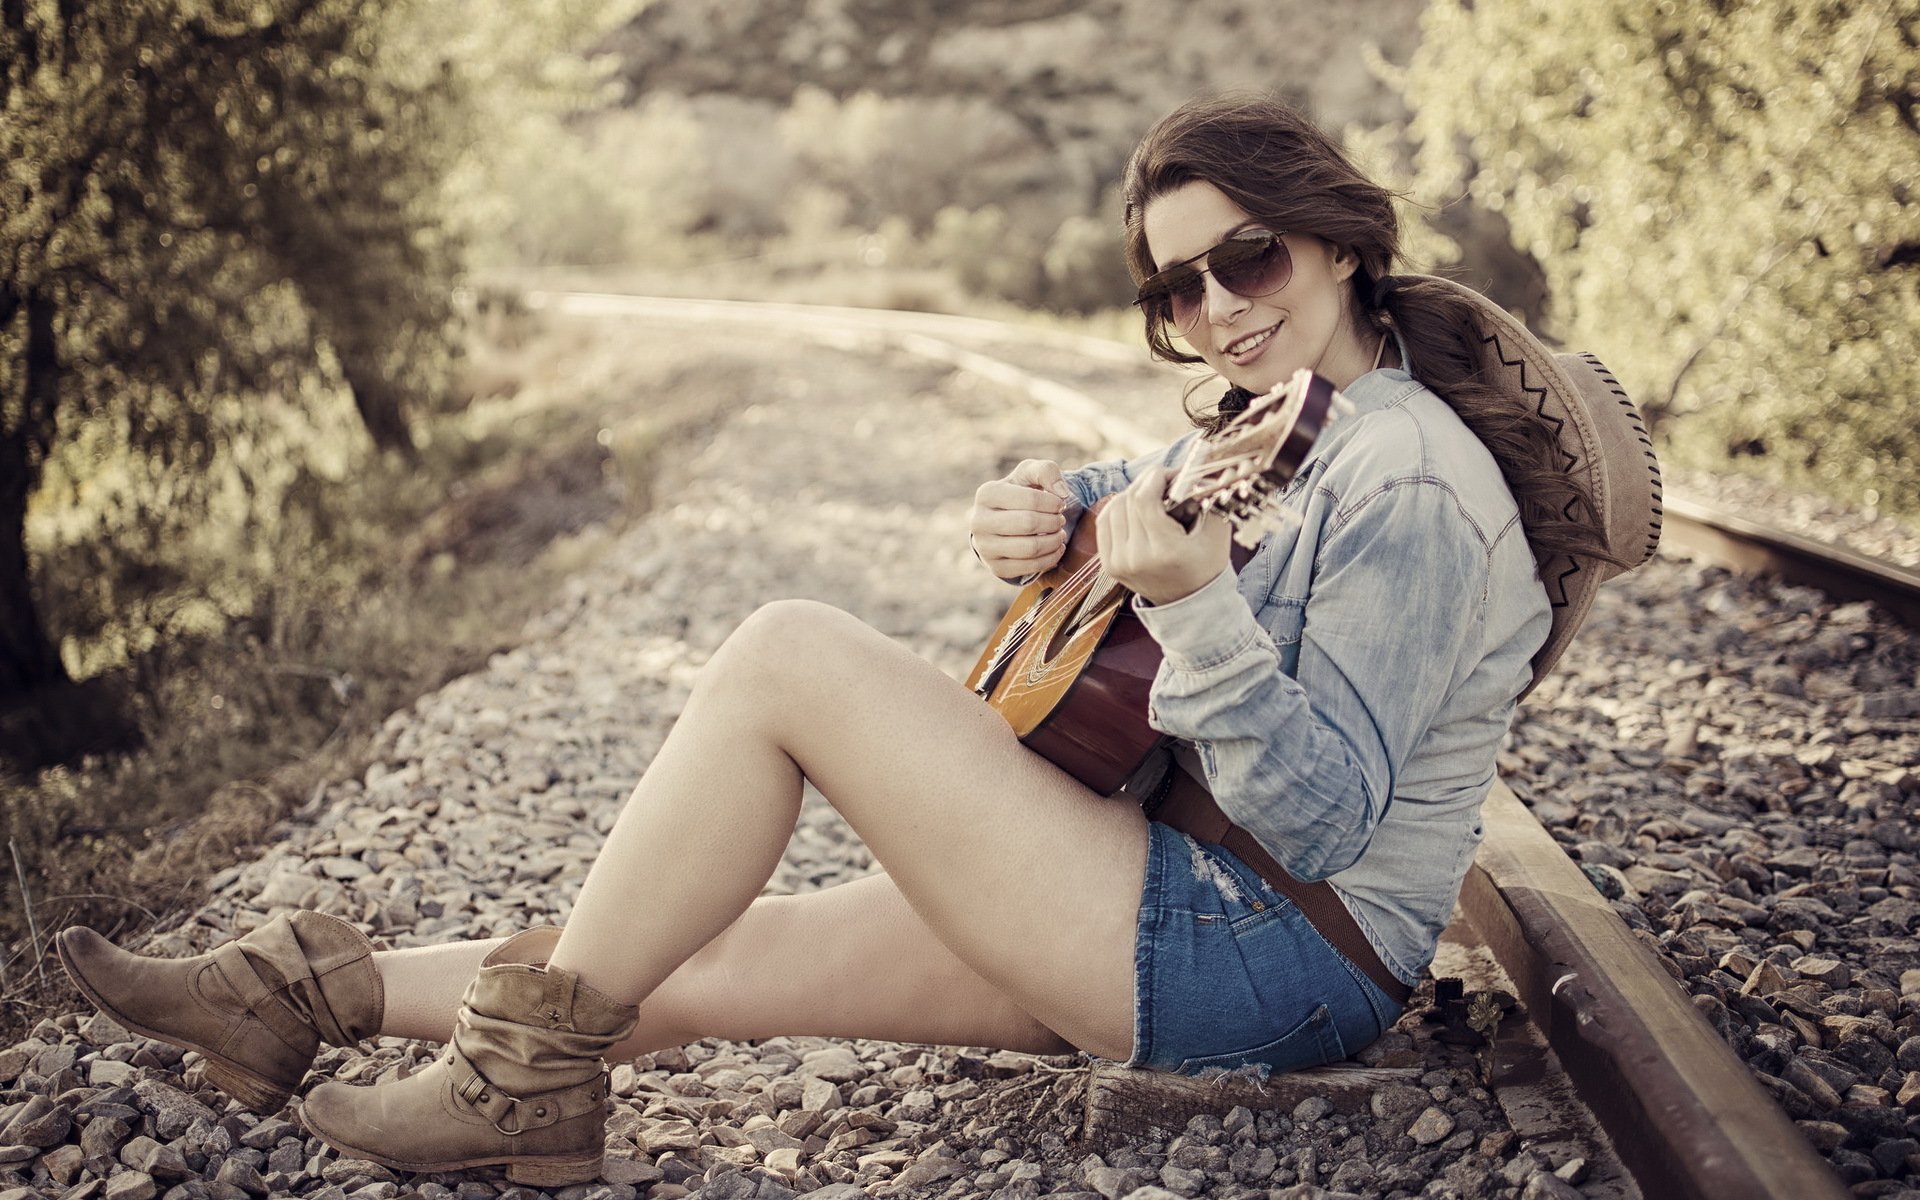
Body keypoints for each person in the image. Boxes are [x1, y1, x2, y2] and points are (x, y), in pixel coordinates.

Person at [54, 92, 1659, 1186]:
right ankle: (290, 997)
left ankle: (513, 1095)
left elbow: (1323, 819)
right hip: (1160, 880)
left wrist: (1192, 607)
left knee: (788, 655)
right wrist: (1039, 508)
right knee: (699, 948)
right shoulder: (1288, 412)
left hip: (1273, 953)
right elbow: (1137, 490)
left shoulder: (1415, 488)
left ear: (1337, 240)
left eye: (1252, 257)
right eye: (1180, 291)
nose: (1223, 307)